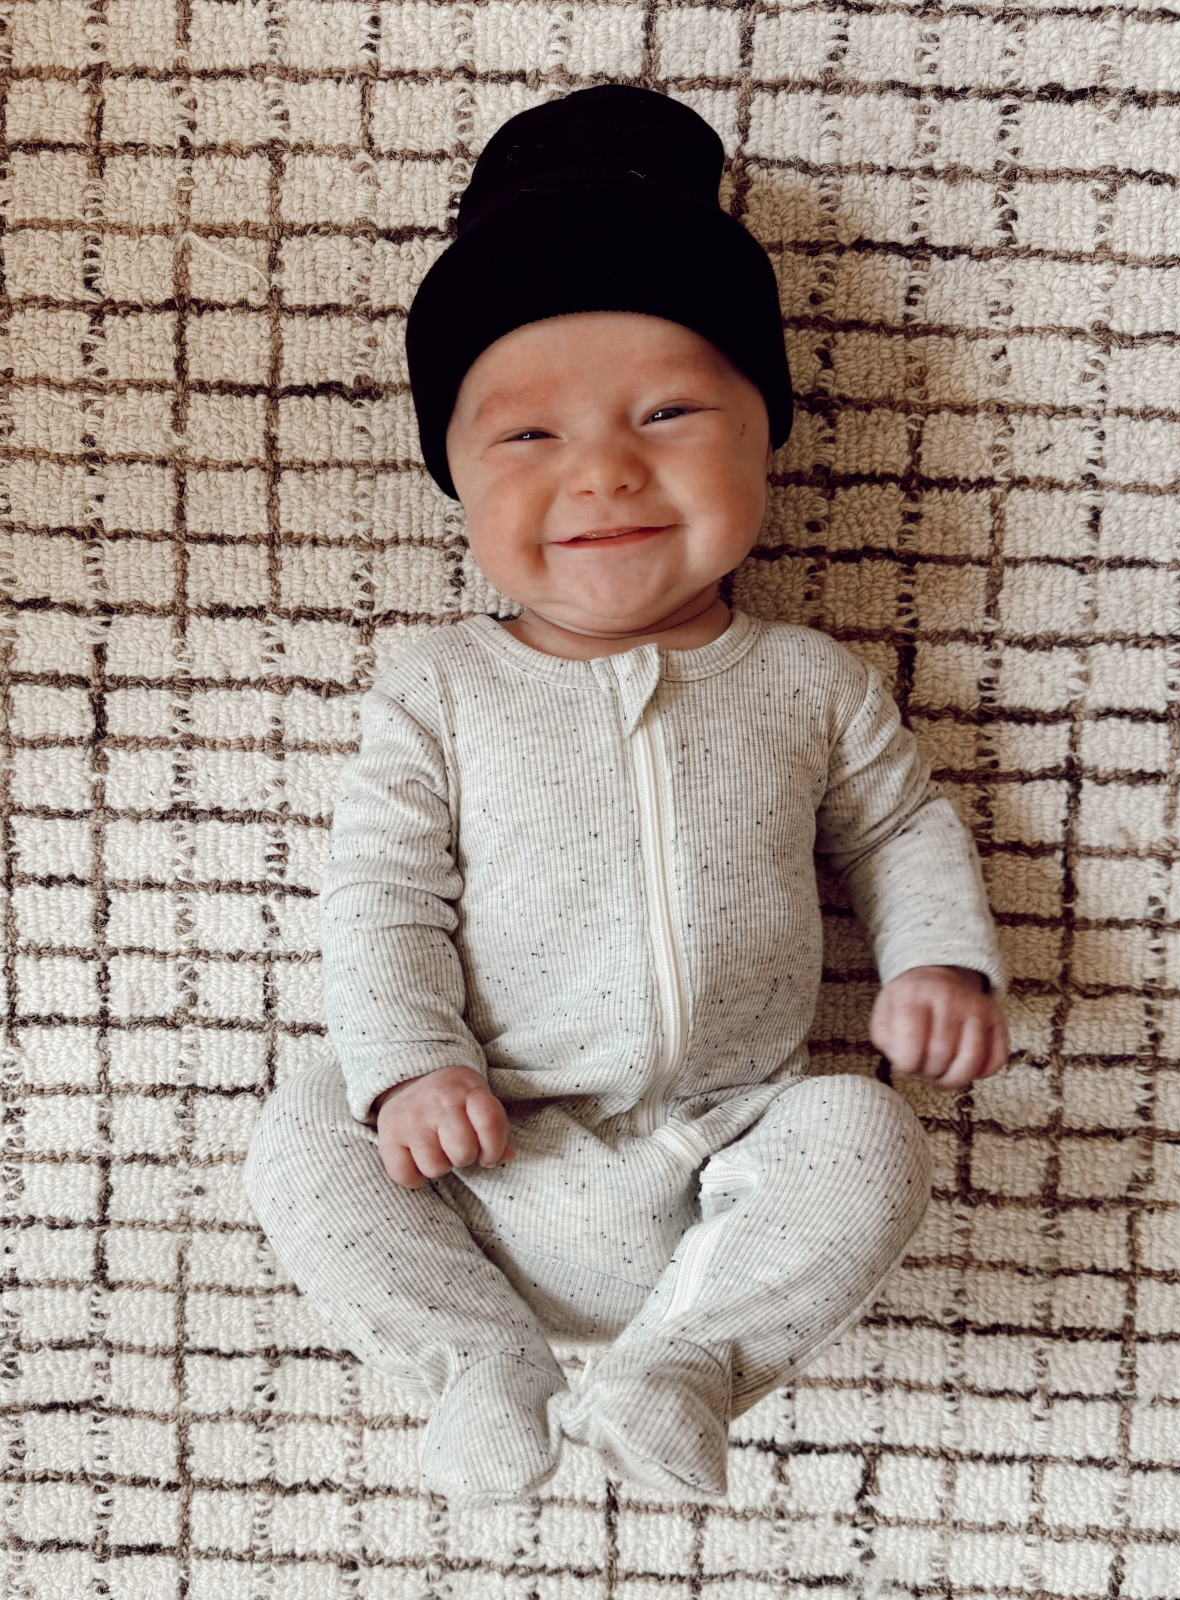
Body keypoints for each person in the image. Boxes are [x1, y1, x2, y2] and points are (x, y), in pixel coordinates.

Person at [244, 84, 1008, 1504]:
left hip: (723, 1155)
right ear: (454, 477)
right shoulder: (440, 688)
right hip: (476, 1148)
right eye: (527, 439)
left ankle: (686, 1369)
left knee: (866, 1134)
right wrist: (410, 1065)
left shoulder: (811, 681)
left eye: (669, 413)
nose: (603, 468)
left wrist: (936, 959)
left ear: (766, 439)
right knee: (303, 1121)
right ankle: (474, 1362)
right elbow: (382, 896)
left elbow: (899, 829)